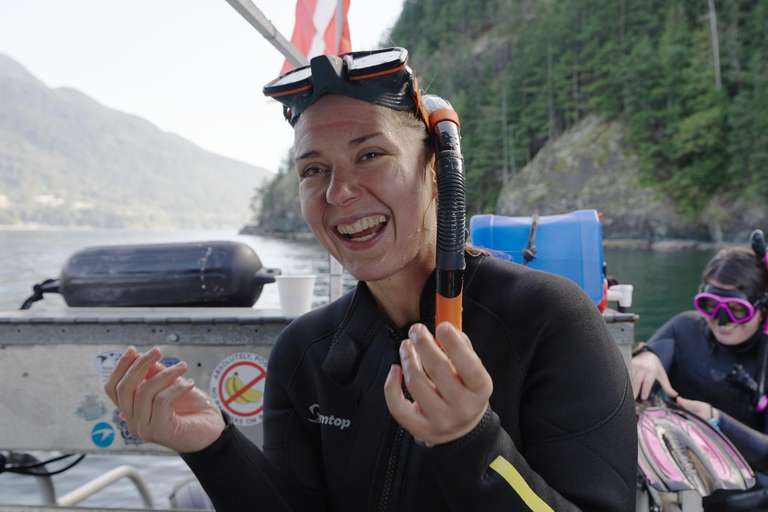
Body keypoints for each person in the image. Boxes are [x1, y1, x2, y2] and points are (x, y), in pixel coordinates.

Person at [104, 47, 636, 511]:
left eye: (371, 155)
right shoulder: (306, 352)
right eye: (314, 170)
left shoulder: (548, 320)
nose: (339, 193)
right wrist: (213, 445)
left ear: (435, 172)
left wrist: (470, 441)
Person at [633, 243, 768, 509]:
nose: (721, 320)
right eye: (710, 305)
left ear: (762, 306)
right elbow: (655, 354)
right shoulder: (686, 328)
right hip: (686, 489)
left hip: (753, 496)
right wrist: (647, 357)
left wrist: (714, 420)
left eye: (737, 309)